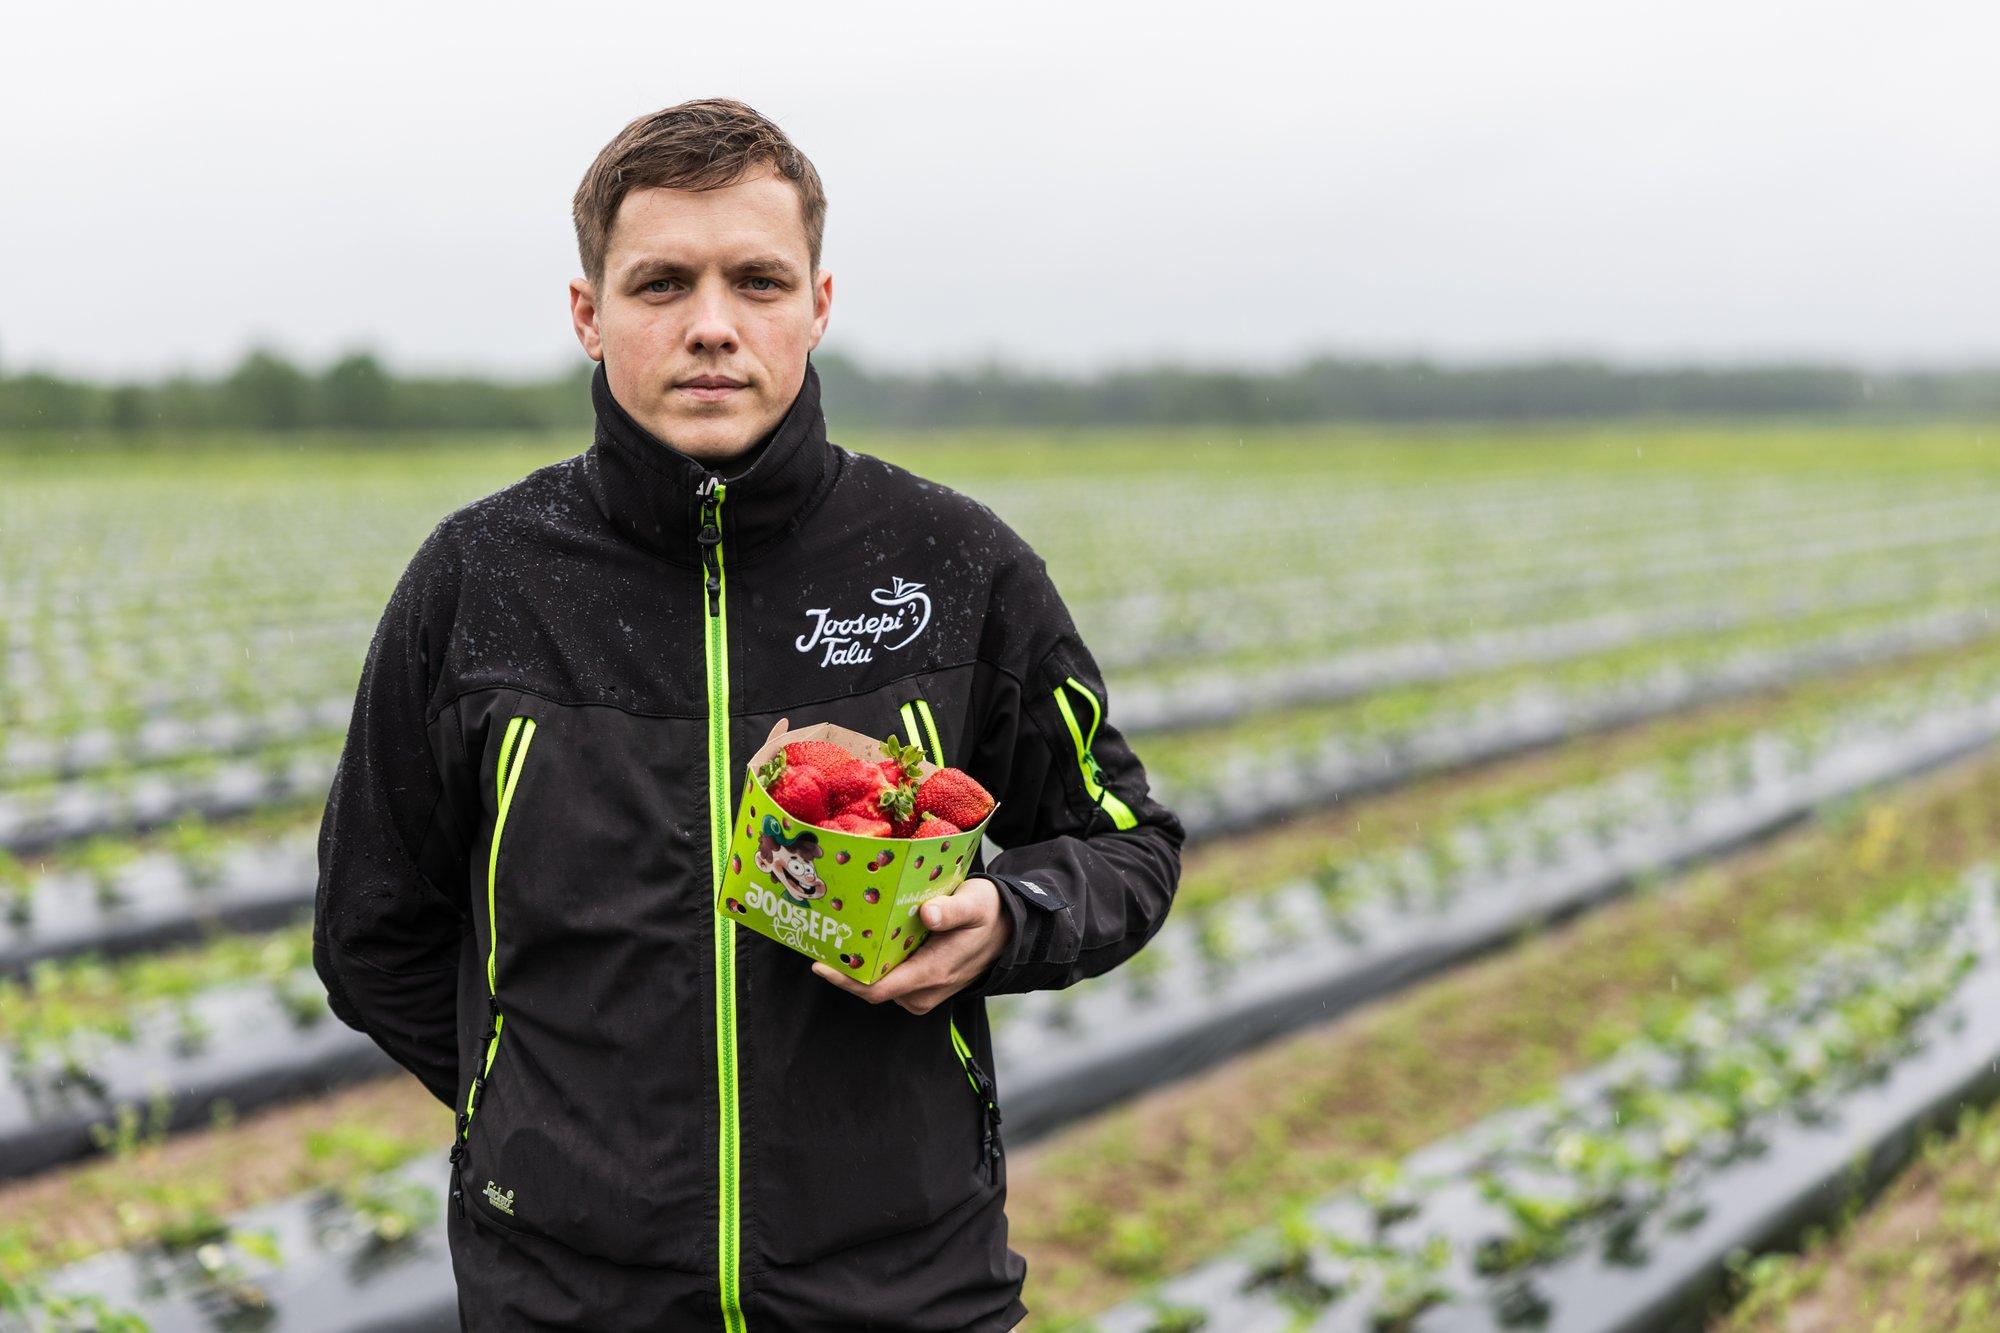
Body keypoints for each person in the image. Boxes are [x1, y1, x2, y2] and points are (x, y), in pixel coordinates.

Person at [311, 96, 1184, 1331]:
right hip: (565, 1297)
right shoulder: (480, 584)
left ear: (817, 305)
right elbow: (371, 928)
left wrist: (1008, 916)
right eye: (661, 283)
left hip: (902, 1283)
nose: (711, 326)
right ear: (587, 314)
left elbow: (1128, 843)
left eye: (757, 282)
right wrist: (544, 1132)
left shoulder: (950, 564)